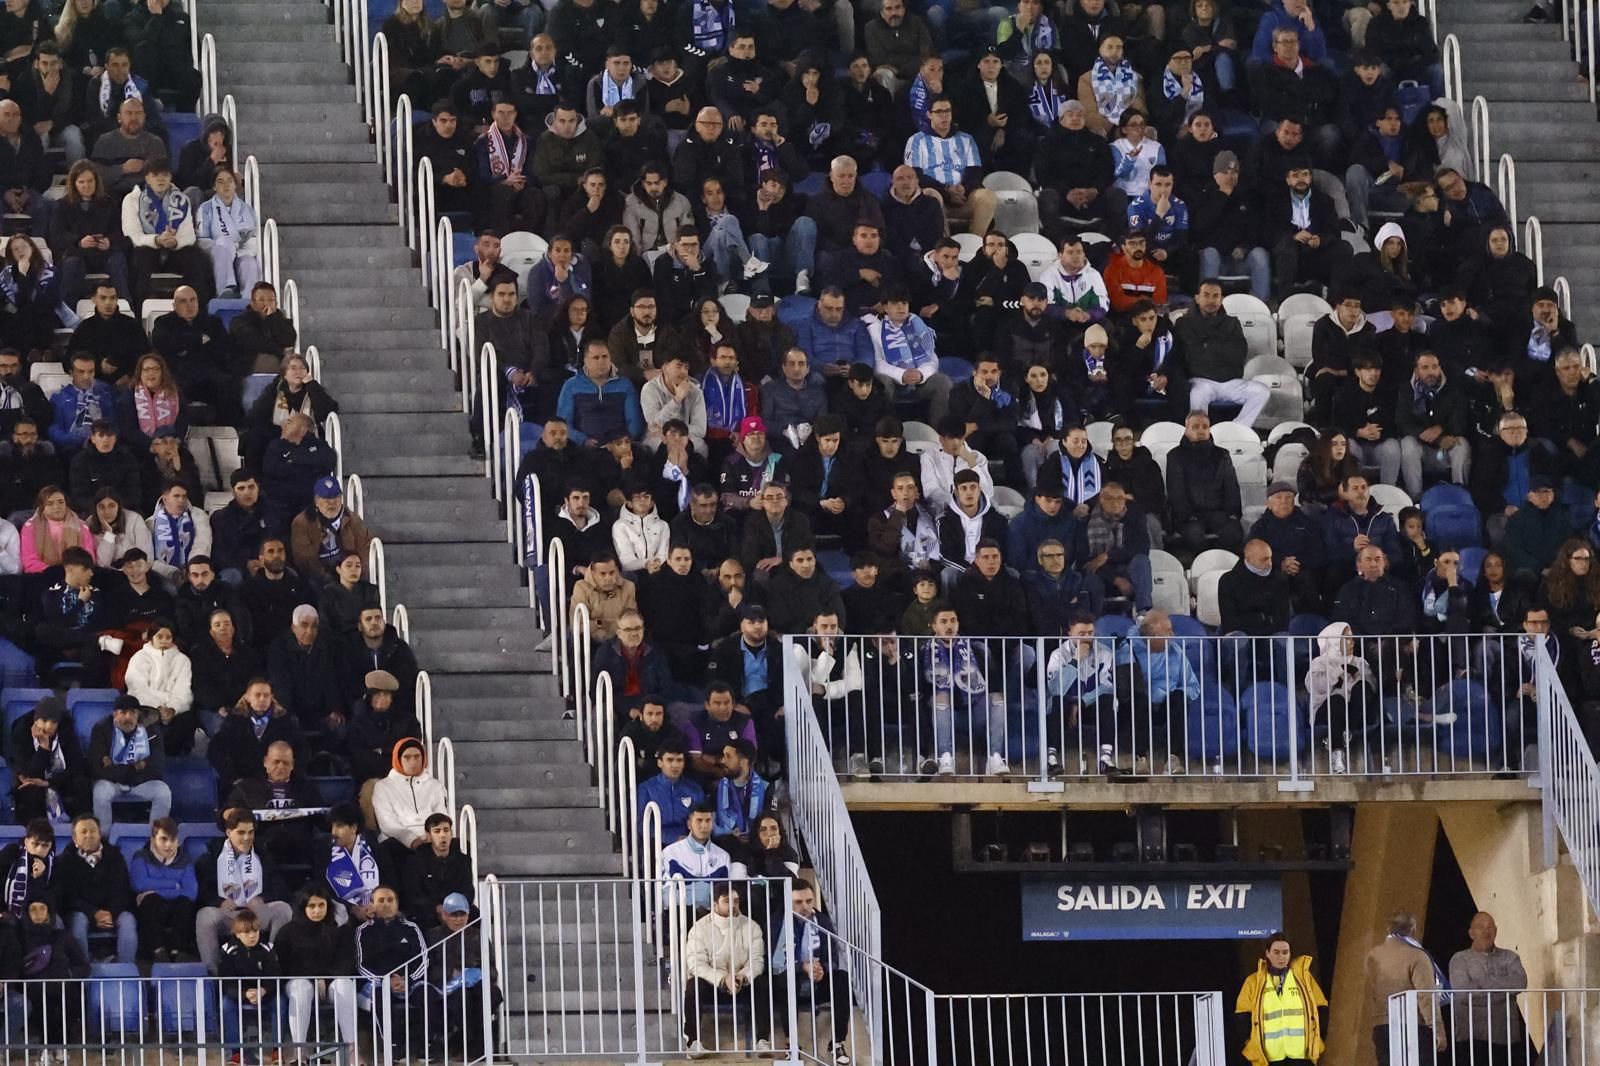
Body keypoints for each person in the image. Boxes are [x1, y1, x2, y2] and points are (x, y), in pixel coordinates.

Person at [196, 808, 294, 974]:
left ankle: (274, 965)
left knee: (283, 909)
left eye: (250, 832)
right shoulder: (211, 858)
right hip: (229, 914)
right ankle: (214, 974)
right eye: (241, 832)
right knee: (204, 916)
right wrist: (219, 902)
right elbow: (202, 891)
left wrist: (262, 898)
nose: (247, 838)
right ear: (229, 832)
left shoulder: (263, 855)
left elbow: (280, 887)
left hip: (255, 913)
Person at [682, 881, 772, 1056]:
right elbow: (696, 965)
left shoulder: (752, 926)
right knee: (694, 986)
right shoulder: (699, 928)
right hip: (713, 985)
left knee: (762, 982)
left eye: (736, 901)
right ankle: (693, 1042)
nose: (733, 906)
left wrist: (741, 977)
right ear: (714, 904)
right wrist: (723, 979)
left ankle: (762, 1041)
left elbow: (757, 961)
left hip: (742, 984)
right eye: (726, 901)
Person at [771, 879, 854, 1065]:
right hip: (792, 977)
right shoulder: (779, 921)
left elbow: (832, 956)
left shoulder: (822, 921)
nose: (805, 907)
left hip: (817, 977)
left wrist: (822, 969)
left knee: (842, 978)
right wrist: (803, 967)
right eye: (798, 902)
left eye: (809, 901)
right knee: (784, 980)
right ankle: (791, 1044)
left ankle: (837, 1043)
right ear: (788, 902)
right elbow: (777, 962)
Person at [275, 885, 360, 1056]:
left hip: (331, 983)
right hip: (299, 982)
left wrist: (326, 978)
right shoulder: (287, 932)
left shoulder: (341, 930)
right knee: (301, 988)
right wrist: (313, 978)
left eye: (321, 905)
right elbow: (285, 965)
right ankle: (299, 1052)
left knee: (345, 985)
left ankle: (352, 1049)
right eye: (311, 906)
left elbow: (346, 960)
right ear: (303, 907)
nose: (317, 910)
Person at [1445, 912, 1527, 1066]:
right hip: (1472, 1038)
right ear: (1471, 933)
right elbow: (1463, 993)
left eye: (1490, 927)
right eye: (1480, 927)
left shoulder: (1510, 957)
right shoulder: (1459, 959)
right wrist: (1503, 991)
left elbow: (1520, 982)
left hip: (1506, 1038)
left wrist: (1483, 983)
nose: (1486, 931)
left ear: (1496, 931)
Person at [55, 813, 138, 963]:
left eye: (93, 831)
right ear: (74, 838)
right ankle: (82, 969)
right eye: (83, 832)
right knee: (78, 922)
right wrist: (93, 912)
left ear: (100, 834)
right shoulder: (64, 861)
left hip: (113, 911)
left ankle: (126, 971)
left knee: (128, 921)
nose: (89, 835)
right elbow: (69, 896)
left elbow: (122, 890)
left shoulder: (115, 857)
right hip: (82, 912)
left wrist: (111, 913)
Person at [1235, 932, 1329, 1066]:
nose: (1281, 957)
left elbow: (1321, 1008)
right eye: (1276, 952)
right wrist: (1250, 1043)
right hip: (1269, 1058)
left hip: (1301, 1056)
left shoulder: (1304, 979)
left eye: (1285, 952)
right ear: (1267, 953)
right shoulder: (1253, 982)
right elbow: (1242, 1016)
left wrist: (1318, 1039)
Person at [1367, 912, 1448, 1063]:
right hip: (1413, 1027)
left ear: (1388, 929)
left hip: (1382, 1026)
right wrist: (1437, 1028)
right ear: (1413, 929)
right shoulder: (1417, 956)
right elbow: (1426, 996)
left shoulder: (1374, 955)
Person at [88, 692, 171, 834]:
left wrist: (118, 770)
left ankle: (156, 838)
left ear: (138, 714)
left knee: (163, 792)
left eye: (132, 712)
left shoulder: (150, 730)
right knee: (100, 792)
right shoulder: (101, 729)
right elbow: (97, 769)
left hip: (140, 782)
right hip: (112, 783)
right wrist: (136, 767)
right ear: (115, 714)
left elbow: (156, 767)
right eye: (123, 713)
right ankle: (103, 840)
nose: (128, 717)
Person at [1166, 410, 1243, 554]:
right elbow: (1177, 493)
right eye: (1195, 427)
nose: (1201, 430)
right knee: (1195, 534)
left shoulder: (1222, 455)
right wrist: (1189, 516)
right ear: (1186, 429)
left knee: (1234, 532)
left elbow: (1231, 487)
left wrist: (1231, 514)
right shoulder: (1175, 456)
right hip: (1189, 516)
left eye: (1205, 427)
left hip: (1218, 513)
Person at [128, 816, 199, 962]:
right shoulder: (141, 856)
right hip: (152, 906)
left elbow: (191, 892)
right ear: (153, 839)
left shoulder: (185, 860)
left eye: (173, 840)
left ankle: (177, 952)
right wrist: (174, 885)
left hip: (176, 906)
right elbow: (139, 884)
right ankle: (157, 951)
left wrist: (157, 889)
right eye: (163, 839)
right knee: (151, 900)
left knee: (185, 903)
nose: (168, 845)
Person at [372, 737, 452, 863]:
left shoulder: (434, 785)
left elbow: (441, 816)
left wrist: (432, 836)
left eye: (417, 757)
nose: (413, 762)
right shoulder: (383, 787)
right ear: (398, 759)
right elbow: (387, 823)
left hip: (430, 838)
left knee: (459, 846)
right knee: (389, 848)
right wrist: (412, 840)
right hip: (398, 841)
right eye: (407, 757)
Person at [402, 812, 475, 925]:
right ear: (429, 836)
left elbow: (468, 890)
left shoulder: (463, 860)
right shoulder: (415, 861)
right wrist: (437, 908)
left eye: (446, 830)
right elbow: (414, 894)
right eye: (437, 831)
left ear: (451, 833)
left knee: (476, 915)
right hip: (429, 912)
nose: (442, 835)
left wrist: (455, 907)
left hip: (457, 909)